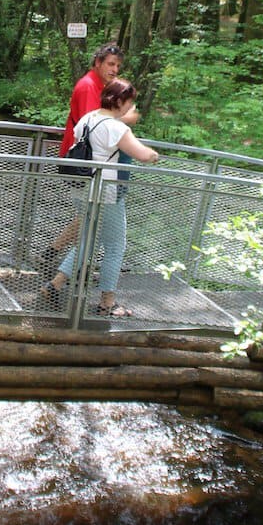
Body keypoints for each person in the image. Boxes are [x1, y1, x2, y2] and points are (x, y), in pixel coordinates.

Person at [40, 77, 159, 318]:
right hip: (106, 194)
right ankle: (107, 303)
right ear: (119, 101)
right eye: (128, 103)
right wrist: (155, 155)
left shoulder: (88, 119)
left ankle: (54, 285)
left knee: (86, 240)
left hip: (82, 188)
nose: (130, 108)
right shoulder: (115, 127)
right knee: (115, 247)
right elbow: (142, 154)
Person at [43, 42, 125, 273]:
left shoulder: (100, 85)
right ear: (97, 63)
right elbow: (96, 125)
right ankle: (62, 274)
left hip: (85, 161)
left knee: (88, 215)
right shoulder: (90, 86)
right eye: (110, 64)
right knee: (93, 218)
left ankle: (51, 253)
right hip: (83, 163)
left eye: (118, 66)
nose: (115, 69)